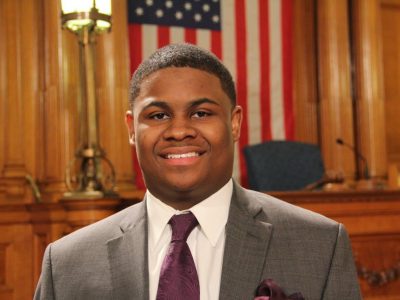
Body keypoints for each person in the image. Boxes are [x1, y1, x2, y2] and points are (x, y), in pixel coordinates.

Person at [34, 43, 361, 300]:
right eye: (159, 116)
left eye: (201, 113)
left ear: (234, 123)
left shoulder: (320, 245)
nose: (179, 131)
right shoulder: (65, 265)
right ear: (132, 128)